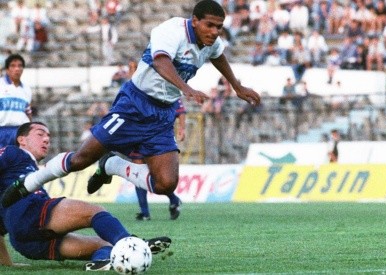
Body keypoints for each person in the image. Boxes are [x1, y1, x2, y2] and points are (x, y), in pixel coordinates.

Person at [2, 0, 261, 208]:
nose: (215, 32)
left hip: (163, 114)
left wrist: (237, 86)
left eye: (219, 27)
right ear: (195, 21)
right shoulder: (171, 30)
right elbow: (160, 62)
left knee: (166, 184)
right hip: (134, 104)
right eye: (210, 26)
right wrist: (186, 88)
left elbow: (219, 56)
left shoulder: (212, 42)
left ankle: (112, 165)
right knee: (81, 160)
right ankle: (27, 184)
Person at [0, 122, 171, 270]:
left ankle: (103, 260)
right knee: (94, 212)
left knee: (108, 245)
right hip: (29, 213)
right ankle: (131, 242)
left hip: (25, 243)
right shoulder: (13, 152)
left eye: (48, 136)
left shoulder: (25, 170)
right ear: (21, 139)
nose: (46, 139)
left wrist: (7, 263)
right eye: (40, 134)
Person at [135, 98, 186, 221]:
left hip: (158, 139)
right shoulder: (140, 90)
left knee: (156, 175)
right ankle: (145, 212)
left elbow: (181, 111)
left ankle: (173, 199)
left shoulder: (166, 91)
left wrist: (182, 128)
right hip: (138, 135)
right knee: (137, 171)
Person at [0, 54, 32, 148]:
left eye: (20, 66)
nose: (17, 69)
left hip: (20, 132)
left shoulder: (27, 89)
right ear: (7, 69)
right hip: (2, 130)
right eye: (13, 66)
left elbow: (28, 112)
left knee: (19, 160)